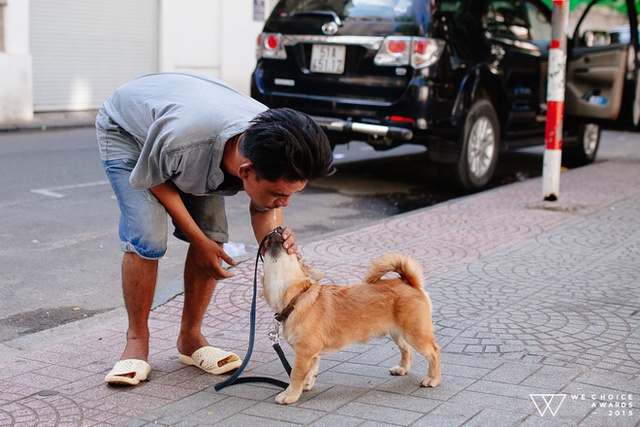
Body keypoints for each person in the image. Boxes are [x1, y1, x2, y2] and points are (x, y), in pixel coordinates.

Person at [96, 72, 334, 385]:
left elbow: (264, 207)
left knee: (214, 235)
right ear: (246, 171)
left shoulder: (270, 142)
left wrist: (274, 243)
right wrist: (197, 240)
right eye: (280, 194)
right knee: (147, 235)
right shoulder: (184, 142)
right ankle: (136, 340)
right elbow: (156, 180)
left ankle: (190, 339)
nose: (284, 204)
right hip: (129, 133)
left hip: (187, 132)